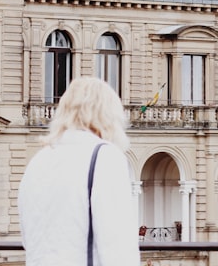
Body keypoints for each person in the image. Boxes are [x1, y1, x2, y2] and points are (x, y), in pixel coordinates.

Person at [17, 76, 140, 266]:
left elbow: (28, 238)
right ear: (108, 115)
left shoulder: (38, 160)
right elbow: (117, 245)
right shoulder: (105, 157)